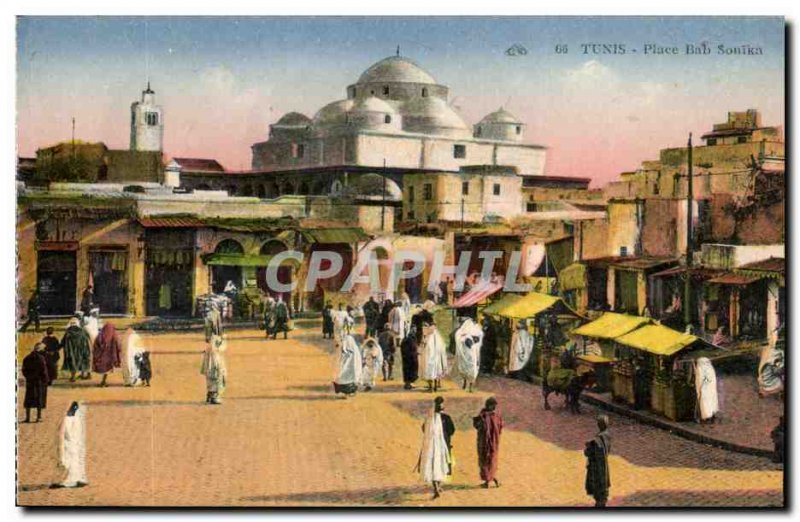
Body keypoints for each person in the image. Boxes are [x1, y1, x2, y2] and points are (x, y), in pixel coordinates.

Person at [416, 396, 455, 499]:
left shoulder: (429, 418)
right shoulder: (446, 418)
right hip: (443, 446)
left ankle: (436, 487)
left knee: (432, 466)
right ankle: (438, 486)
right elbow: (452, 431)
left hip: (430, 447)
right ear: (443, 406)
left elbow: (424, 429)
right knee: (441, 465)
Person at [52, 401, 88, 488]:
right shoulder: (74, 419)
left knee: (69, 460)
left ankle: (70, 480)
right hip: (72, 442)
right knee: (73, 459)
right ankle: (75, 478)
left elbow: (61, 433)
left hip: (69, 442)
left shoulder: (68, 419)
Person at [473, 397, 503, 488]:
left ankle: (489, 481)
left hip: (491, 442)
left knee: (489, 460)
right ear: (488, 405)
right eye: (493, 405)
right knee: (487, 460)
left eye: (494, 406)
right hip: (485, 442)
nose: (494, 407)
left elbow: (500, 426)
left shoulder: (492, 416)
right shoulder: (484, 416)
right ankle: (491, 480)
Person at [584, 415, 611, 508]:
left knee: (598, 490)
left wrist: (589, 446)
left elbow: (588, 452)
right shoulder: (607, 435)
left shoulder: (597, 441)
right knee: (603, 489)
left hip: (596, 469)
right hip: (604, 467)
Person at [21, 342, 49, 423]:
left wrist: (28, 377)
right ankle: (38, 417)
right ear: (40, 349)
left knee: (28, 399)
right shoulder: (41, 358)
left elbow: (24, 370)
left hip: (30, 381)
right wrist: (45, 380)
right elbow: (44, 371)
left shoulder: (27, 358)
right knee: (39, 399)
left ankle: (28, 418)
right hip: (39, 381)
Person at [454, 317, 483, 392]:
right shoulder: (465, 335)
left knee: (468, 370)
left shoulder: (462, 334)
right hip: (469, 355)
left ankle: (467, 385)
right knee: (470, 370)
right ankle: (468, 386)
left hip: (469, 356)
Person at [61, 317, 91, 381]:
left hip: (71, 350)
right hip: (81, 349)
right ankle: (83, 374)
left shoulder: (68, 333)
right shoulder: (82, 331)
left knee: (73, 362)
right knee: (83, 361)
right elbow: (86, 340)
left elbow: (63, 342)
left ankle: (73, 377)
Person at [421, 321, 448, 392]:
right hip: (436, 357)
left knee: (430, 372)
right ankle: (435, 387)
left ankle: (431, 388)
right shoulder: (438, 336)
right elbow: (443, 347)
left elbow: (424, 344)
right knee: (436, 372)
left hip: (430, 357)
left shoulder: (429, 335)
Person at [201, 335, 227, 405]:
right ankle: (214, 396)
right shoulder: (215, 337)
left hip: (214, 353)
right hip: (214, 354)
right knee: (216, 374)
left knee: (214, 373)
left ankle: (211, 394)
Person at [333, 333, 362, 397]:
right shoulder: (349, 350)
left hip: (349, 373)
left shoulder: (353, 352)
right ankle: (346, 392)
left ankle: (348, 392)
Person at [401, 326, 419, 390]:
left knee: (408, 371)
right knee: (410, 371)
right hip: (411, 357)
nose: (415, 331)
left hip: (407, 358)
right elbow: (413, 348)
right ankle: (408, 384)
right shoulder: (410, 338)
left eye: (415, 329)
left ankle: (408, 384)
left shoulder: (407, 338)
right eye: (414, 330)